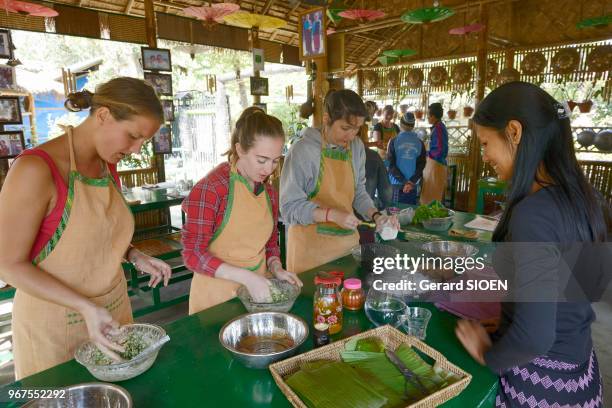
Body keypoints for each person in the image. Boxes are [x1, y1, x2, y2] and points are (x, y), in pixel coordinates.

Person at [0, 77, 172, 379]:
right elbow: (8, 265)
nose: (135, 149)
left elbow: (96, 234)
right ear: (103, 115)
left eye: (142, 142)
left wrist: (133, 255)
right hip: (55, 328)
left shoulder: (107, 166)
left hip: (113, 314)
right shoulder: (35, 170)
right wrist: (85, 308)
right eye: (132, 136)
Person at [455, 82, 608, 407]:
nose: (484, 157)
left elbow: (535, 338)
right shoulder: (586, 197)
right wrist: (515, 317)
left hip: (542, 386)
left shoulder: (533, 215)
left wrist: (488, 354)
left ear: (513, 131)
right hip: (581, 374)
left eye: (485, 144)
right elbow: (576, 295)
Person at [182, 108, 302, 314]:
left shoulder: (268, 192)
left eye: (275, 161)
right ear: (240, 149)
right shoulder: (212, 189)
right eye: (261, 160)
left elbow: (271, 242)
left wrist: (276, 268)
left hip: (258, 293)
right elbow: (193, 255)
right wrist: (247, 278)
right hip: (215, 300)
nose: (268, 169)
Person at [280, 90, 399, 273]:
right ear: (327, 119)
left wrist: (376, 216)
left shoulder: (356, 147)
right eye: (345, 128)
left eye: (357, 129)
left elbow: (359, 192)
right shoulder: (303, 151)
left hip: (346, 250)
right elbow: (289, 208)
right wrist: (331, 215)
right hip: (310, 256)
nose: (351, 136)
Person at [387, 112, 426, 204]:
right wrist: (410, 182)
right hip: (412, 185)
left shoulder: (393, 141)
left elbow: (391, 165)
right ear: (413, 126)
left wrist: (404, 182)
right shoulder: (420, 143)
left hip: (396, 184)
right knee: (409, 212)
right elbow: (421, 165)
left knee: (394, 213)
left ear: (400, 124)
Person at [359, 106, 392, 209]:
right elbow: (359, 144)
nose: (372, 115)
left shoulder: (363, 126)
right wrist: (374, 144)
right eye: (371, 113)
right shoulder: (361, 126)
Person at [420, 102, 448, 204]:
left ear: (433, 116)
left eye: (428, 115)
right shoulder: (437, 127)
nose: (427, 118)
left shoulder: (439, 128)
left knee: (433, 199)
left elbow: (439, 149)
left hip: (436, 165)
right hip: (435, 164)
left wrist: (427, 154)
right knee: (431, 198)